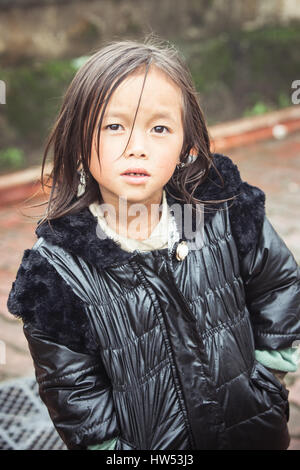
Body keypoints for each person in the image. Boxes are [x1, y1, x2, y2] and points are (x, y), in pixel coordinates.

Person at [7, 37, 300, 451]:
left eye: (159, 128)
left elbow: (279, 285)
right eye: (113, 126)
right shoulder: (55, 273)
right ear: (78, 139)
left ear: (185, 144)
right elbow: (73, 390)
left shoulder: (222, 208)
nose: (137, 148)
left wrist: (269, 378)